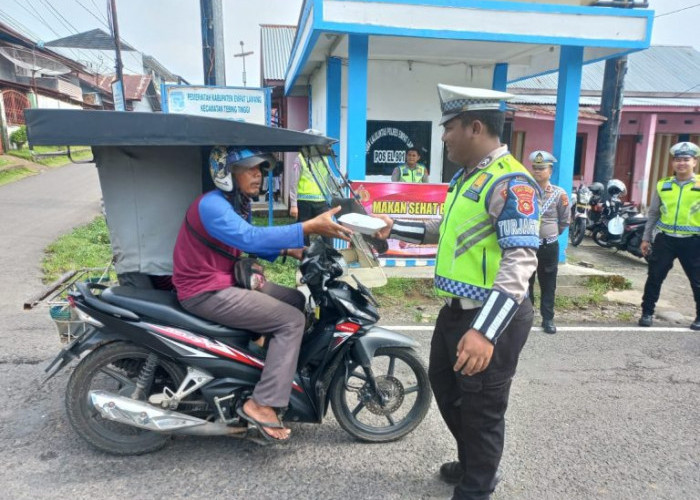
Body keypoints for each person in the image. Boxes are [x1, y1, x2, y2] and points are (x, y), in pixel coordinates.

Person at [374, 84, 539, 500]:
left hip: (490, 316)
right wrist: (392, 229)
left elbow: (520, 261)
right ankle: (472, 462)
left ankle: (478, 486)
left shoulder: (510, 183)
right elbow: (439, 230)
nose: (443, 137)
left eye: (448, 128)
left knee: (482, 408)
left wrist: (484, 331)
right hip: (454, 312)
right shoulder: (467, 179)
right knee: (447, 390)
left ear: (475, 127)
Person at [172, 146, 352, 441]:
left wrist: (292, 249)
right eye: (250, 169)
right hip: (207, 290)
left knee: (296, 300)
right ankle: (262, 402)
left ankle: (265, 369)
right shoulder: (212, 205)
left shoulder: (234, 204)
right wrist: (305, 226)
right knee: (291, 320)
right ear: (226, 173)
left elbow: (248, 242)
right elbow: (249, 237)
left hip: (225, 280)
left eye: (261, 170)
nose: (258, 175)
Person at [638, 141, 700, 331]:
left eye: (686, 160)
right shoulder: (663, 185)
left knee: (697, 280)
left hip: (693, 241)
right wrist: (646, 238)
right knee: (654, 277)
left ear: (694, 162)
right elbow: (654, 213)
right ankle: (647, 313)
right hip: (665, 239)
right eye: (678, 160)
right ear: (673, 163)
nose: (681, 163)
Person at [527, 150, 570, 334]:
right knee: (526, 281)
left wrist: (550, 234)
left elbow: (564, 221)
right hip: (528, 244)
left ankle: (548, 318)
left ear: (550, 171)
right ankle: (526, 317)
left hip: (548, 245)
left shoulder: (559, 194)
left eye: (542, 168)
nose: (537, 171)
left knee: (548, 283)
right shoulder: (525, 191)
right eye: (535, 168)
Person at [289, 129, 332, 245]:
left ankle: (330, 258)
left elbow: (328, 179)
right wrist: (293, 205)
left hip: (321, 201)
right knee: (304, 232)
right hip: (304, 202)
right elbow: (293, 182)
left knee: (327, 231)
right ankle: (305, 257)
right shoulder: (300, 158)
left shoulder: (325, 158)